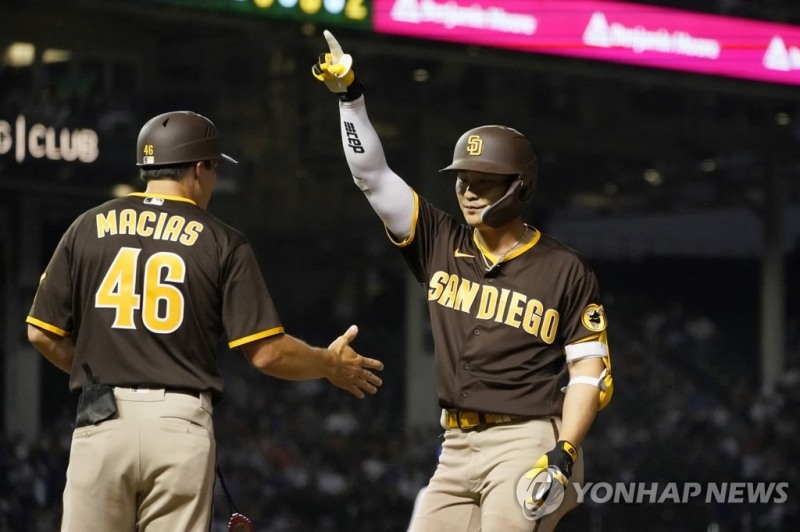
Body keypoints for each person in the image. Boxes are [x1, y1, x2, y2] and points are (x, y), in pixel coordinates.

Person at [25, 110, 385, 532]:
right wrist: (328, 363)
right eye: (213, 168)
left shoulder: (87, 226)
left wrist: (99, 377)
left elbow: (41, 333)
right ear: (199, 169)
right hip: (178, 424)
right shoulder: (221, 240)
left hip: (101, 418)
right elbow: (267, 354)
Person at [312, 31, 613, 531]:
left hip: (528, 441)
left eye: (484, 181)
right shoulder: (437, 239)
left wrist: (565, 449)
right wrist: (350, 97)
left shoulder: (564, 268)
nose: (468, 192)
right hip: (454, 446)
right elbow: (373, 176)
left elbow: (588, 374)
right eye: (463, 179)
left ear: (519, 187)